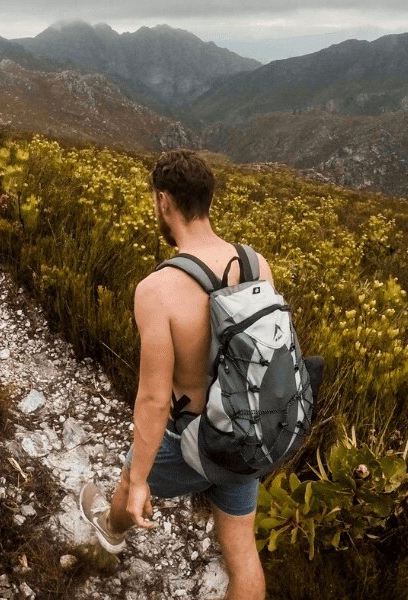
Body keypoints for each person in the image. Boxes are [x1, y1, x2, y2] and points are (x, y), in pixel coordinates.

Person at [79, 150, 270, 600]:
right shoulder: (256, 263)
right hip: (248, 434)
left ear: (164, 202)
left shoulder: (157, 289)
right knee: (242, 555)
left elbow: (153, 401)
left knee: (128, 482)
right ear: (207, 199)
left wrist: (141, 479)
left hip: (191, 441)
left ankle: (110, 531)